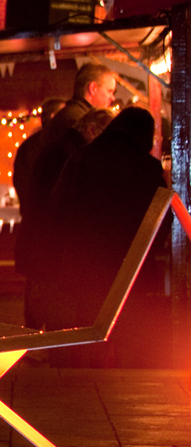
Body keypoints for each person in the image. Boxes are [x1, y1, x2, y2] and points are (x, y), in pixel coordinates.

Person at [44, 107, 168, 362]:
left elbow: (57, 207)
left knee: (89, 334)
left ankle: (87, 386)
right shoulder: (147, 167)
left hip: (86, 265)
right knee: (130, 339)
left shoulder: (82, 158)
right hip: (131, 268)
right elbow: (161, 220)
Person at [13, 98, 66, 328]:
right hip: (43, 230)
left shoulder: (33, 146)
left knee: (40, 284)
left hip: (37, 229)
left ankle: (37, 335)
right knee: (41, 285)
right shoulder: (43, 147)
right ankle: (38, 335)